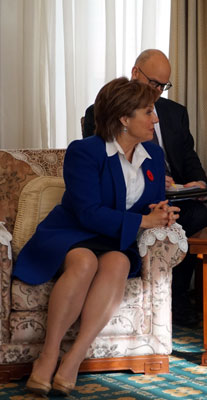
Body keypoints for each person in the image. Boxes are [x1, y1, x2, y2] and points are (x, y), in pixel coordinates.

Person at [14, 78, 180, 396]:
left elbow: (151, 202)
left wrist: (160, 212)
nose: (156, 119)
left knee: (118, 264)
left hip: (115, 239)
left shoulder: (153, 155)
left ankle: (74, 357)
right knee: (85, 262)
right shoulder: (85, 151)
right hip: (73, 232)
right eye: (148, 112)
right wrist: (144, 220)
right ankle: (48, 355)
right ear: (124, 118)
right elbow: (87, 212)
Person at [83, 49, 207, 327]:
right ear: (135, 72)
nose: (157, 92)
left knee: (199, 215)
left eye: (163, 86)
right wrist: (148, 177)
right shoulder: (102, 111)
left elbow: (188, 156)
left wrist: (199, 183)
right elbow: (103, 164)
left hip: (171, 195)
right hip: (127, 200)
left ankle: (177, 296)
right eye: (153, 83)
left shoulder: (175, 113)